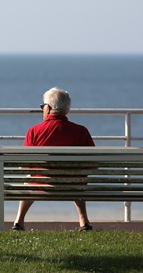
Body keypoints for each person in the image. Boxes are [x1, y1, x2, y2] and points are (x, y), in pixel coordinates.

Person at [12, 87, 95, 232]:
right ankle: (84, 222)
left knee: (29, 178)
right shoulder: (82, 131)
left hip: (42, 184)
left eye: (42, 106)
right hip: (73, 184)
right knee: (79, 178)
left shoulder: (34, 131)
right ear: (67, 110)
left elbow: (23, 166)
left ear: (48, 108)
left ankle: (18, 222)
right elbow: (92, 164)